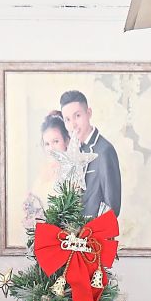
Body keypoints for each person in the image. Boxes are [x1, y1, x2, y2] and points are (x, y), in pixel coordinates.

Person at [60, 89, 121, 218]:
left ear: (88, 113)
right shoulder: (72, 151)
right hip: (73, 235)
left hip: (95, 236)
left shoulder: (104, 151)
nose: (73, 125)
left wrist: (90, 235)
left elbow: (112, 207)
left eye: (77, 116)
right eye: (67, 119)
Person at [23, 110, 70, 226]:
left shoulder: (72, 173)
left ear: (66, 141)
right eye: (47, 144)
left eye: (56, 141)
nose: (51, 149)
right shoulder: (44, 173)